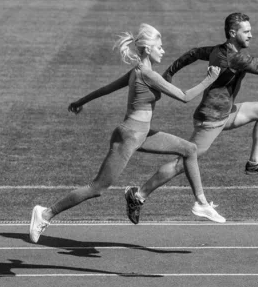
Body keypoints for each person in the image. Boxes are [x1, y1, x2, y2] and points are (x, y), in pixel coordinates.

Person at [30, 23, 225, 244]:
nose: (163, 51)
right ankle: (45, 213)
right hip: (129, 136)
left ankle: (201, 203)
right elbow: (184, 96)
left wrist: (80, 101)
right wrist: (210, 79)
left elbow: (106, 89)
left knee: (190, 149)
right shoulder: (147, 74)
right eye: (159, 47)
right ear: (148, 49)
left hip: (143, 134)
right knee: (97, 188)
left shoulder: (138, 71)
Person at [125, 12, 258, 222]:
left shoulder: (219, 50)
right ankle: (138, 196)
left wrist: (171, 72)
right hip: (210, 120)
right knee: (182, 164)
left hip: (226, 112)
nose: (251, 35)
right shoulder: (235, 58)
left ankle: (254, 162)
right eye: (246, 31)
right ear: (233, 33)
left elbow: (194, 53)